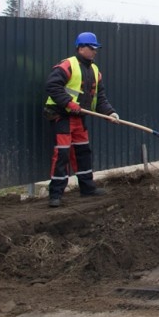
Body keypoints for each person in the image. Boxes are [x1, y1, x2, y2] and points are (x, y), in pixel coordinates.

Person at [43, 31, 120, 207]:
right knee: (62, 153)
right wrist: (68, 103)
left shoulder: (95, 71)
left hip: (79, 118)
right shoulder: (67, 65)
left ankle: (87, 188)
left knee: (83, 152)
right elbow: (52, 86)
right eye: (92, 48)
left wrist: (110, 113)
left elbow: (99, 97)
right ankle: (55, 194)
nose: (95, 51)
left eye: (96, 48)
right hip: (61, 116)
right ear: (81, 48)